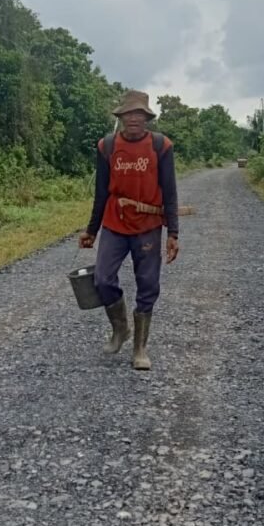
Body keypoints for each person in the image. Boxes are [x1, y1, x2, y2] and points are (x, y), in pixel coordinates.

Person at [79, 90, 180, 370]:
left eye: (139, 114)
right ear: (121, 117)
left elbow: (170, 191)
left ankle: (140, 348)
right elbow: (101, 193)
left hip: (147, 226)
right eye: (128, 114)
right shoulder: (107, 146)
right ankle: (121, 329)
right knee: (102, 279)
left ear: (146, 118)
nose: (133, 118)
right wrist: (92, 230)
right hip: (115, 223)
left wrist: (173, 233)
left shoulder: (161, 146)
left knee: (148, 284)